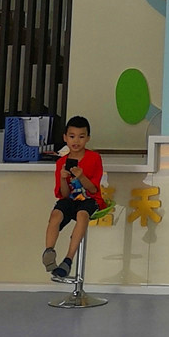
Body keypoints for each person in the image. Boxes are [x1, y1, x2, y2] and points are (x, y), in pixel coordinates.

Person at [43, 117, 104, 283]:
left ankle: (68, 260)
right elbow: (63, 195)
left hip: (89, 199)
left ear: (88, 138)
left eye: (81, 136)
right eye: (72, 136)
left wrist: (81, 176)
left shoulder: (94, 158)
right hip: (70, 200)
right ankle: (49, 252)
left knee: (82, 215)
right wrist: (63, 178)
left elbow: (93, 190)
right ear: (65, 138)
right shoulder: (61, 162)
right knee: (56, 214)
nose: (76, 141)